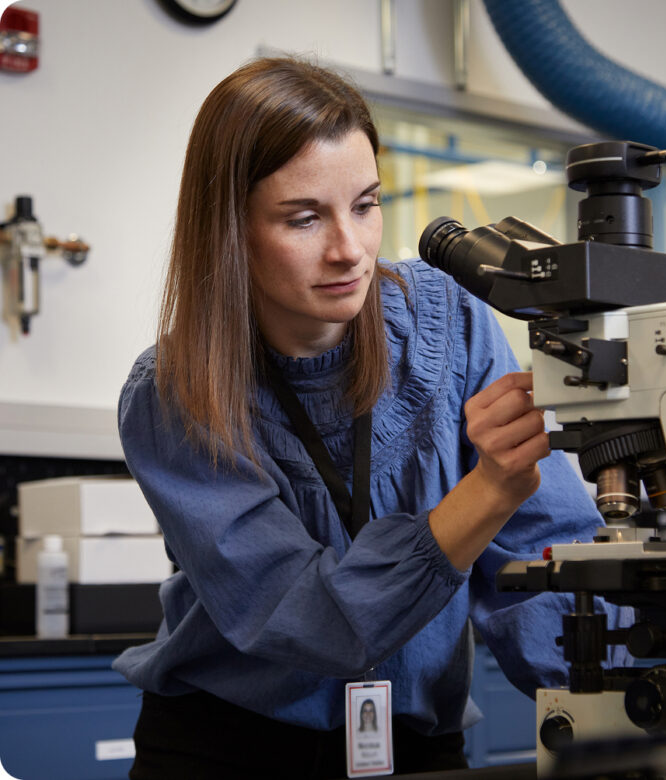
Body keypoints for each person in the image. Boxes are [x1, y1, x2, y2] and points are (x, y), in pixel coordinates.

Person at [114, 55, 621, 779]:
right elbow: (310, 619)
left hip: (416, 748)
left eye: (366, 204)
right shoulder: (174, 392)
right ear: (231, 229)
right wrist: (486, 491)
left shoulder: (450, 322)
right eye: (303, 217)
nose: (349, 249)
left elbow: (539, 558)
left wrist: (615, 704)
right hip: (229, 750)